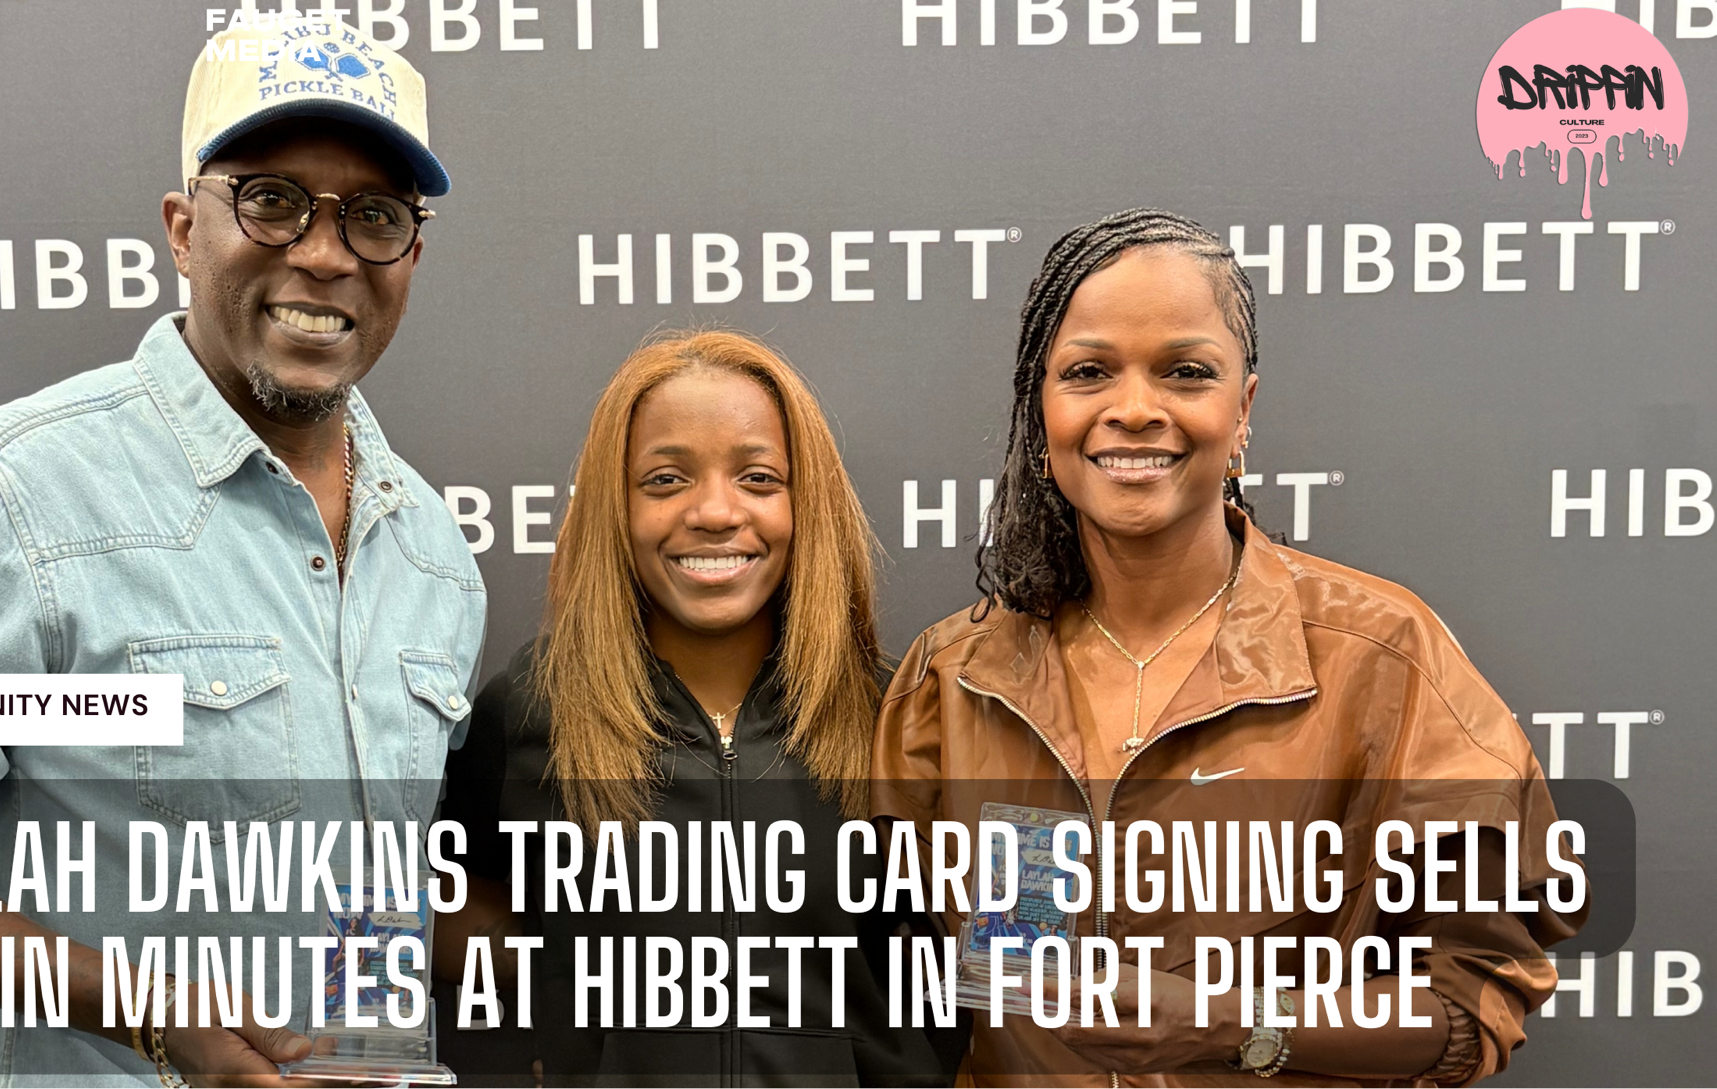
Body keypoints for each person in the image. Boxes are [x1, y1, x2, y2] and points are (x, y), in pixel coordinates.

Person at [0, 21, 484, 1085]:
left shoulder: (429, 548)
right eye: (270, 198)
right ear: (181, 228)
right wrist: (153, 1014)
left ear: (411, 256)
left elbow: (367, 880)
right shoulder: (18, 492)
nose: (325, 252)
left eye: (372, 216)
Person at [871, 209, 1582, 1085]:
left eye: (1186, 372)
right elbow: (897, 994)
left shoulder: (1383, 659)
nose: (1134, 410)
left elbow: (1471, 1011)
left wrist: (1238, 1024)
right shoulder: (953, 677)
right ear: (1041, 407)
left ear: (1242, 407)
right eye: (1089, 372)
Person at [438, 331, 956, 1086]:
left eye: (757, 477)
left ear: (804, 502)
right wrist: (565, 984)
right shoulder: (528, 712)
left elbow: (980, 948)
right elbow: (447, 901)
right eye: (665, 480)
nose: (715, 512)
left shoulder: (897, 713)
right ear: (616, 507)